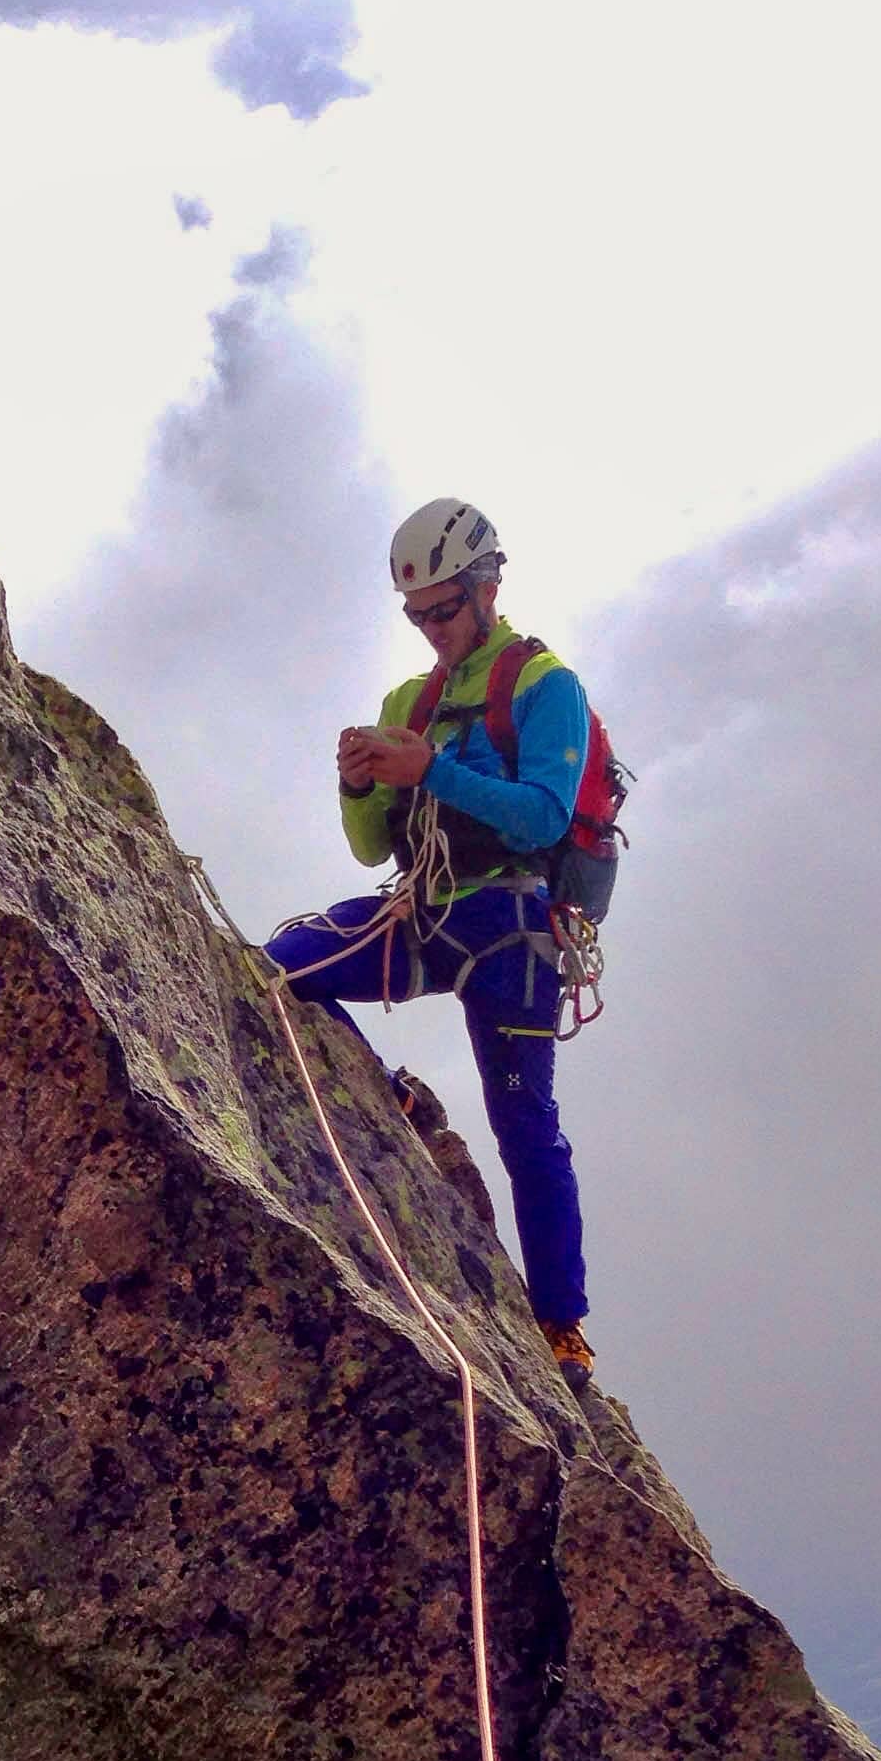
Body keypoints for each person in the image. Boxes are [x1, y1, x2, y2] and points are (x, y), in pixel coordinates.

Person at [266, 499, 596, 1384]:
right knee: (278, 970)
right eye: (417, 616)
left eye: (444, 610)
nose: (432, 631)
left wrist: (431, 770)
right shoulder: (409, 701)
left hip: (512, 924)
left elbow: (545, 817)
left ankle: (562, 1325)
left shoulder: (544, 685)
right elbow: (374, 846)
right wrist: (357, 785)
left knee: (526, 1126)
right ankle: (388, 1102)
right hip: (424, 908)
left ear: (489, 587)